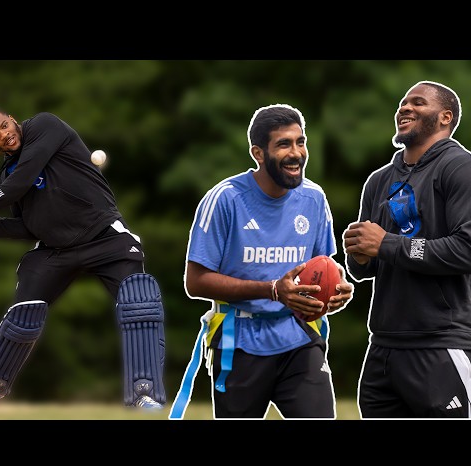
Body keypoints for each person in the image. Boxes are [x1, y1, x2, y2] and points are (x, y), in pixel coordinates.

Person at [0, 108, 167, 411]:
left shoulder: (44, 126)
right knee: (23, 315)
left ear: (12, 119)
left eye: (4, 125)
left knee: (138, 302)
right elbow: (26, 226)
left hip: (105, 236)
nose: (4, 134)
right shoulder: (7, 175)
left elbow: (25, 176)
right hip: (54, 249)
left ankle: (145, 393)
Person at [171, 104, 353, 419]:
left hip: (299, 337)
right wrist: (271, 289)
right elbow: (195, 281)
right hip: (240, 345)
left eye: (300, 141)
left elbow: (323, 266)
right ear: (258, 153)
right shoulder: (225, 199)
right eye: (284, 144)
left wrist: (336, 288)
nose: (296, 153)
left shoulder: (314, 199)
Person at [343, 81, 471, 418]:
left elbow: (466, 249)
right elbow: (365, 270)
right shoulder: (378, 180)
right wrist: (359, 254)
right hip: (382, 348)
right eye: (402, 103)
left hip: (441, 343)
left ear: (445, 117)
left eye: (418, 103)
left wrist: (385, 243)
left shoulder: (461, 168)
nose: (405, 108)